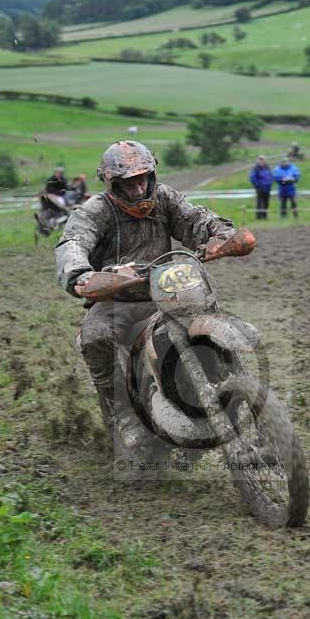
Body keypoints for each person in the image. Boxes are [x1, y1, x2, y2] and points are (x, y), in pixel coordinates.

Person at [55, 140, 235, 456]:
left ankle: (228, 378)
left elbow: (194, 218)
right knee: (95, 337)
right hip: (118, 298)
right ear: (113, 185)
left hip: (167, 288)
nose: (138, 189)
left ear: (151, 175)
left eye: (142, 179)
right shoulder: (96, 211)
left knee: (206, 309)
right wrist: (81, 275)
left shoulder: (164, 197)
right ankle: (123, 418)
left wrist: (220, 233)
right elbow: (72, 242)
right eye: (128, 183)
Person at [249, 155, 273, 219]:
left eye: (263, 160)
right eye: (260, 160)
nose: (262, 161)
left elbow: (270, 176)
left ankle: (265, 216)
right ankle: (258, 217)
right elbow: (252, 178)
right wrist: (258, 185)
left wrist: (270, 183)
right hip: (260, 188)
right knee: (259, 202)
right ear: (258, 160)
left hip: (267, 187)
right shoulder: (255, 168)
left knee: (266, 202)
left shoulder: (267, 167)